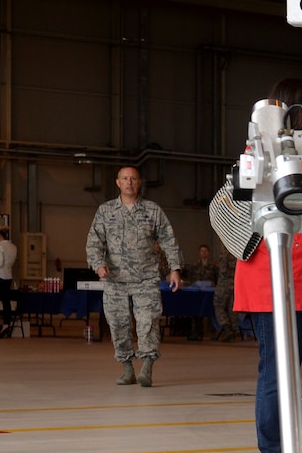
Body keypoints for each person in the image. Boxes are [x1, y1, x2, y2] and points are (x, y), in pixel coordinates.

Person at [234, 78, 302, 453]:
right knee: (278, 372)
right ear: (295, 109)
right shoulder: (262, 150)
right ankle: (273, 452)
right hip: (273, 281)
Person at [86, 165, 183, 386]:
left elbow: (169, 240)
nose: (129, 182)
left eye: (134, 178)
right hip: (115, 280)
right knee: (118, 324)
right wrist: (98, 265)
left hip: (146, 278)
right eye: (125, 178)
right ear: (118, 183)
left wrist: (174, 269)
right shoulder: (105, 211)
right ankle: (127, 368)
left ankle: (147, 367)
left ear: (139, 183)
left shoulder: (152, 210)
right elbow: (94, 242)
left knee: (148, 322)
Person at [184, 244, 220, 341]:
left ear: (208, 253)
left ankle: (212, 333)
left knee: (211, 312)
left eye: (205, 251)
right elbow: (191, 279)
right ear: (199, 253)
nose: (204, 253)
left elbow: (217, 279)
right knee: (196, 312)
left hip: (210, 293)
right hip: (198, 293)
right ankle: (197, 333)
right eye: (202, 251)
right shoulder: (195, 265)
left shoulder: (213, 266)